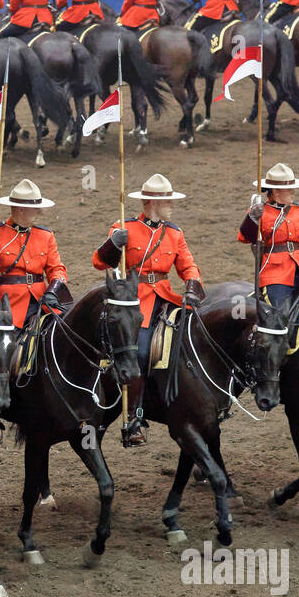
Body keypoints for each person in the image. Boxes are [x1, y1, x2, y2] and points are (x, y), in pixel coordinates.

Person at [90, 174, 204, 447]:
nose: (172, 207)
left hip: (165, 297)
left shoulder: (174, 232)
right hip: (134, 300)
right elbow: (99, 262)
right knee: (140, 352)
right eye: (168, 202)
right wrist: (113, 244)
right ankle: (133, 420)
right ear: (152, 202)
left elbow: (188, 265)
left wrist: (192, 286)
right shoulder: (124, 227)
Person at [0, 179, 67, 331]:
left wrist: (53, 290)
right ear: (21, 209)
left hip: (43, 301)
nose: (40, 212)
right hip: (8, 306)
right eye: (36, 208)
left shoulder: (45, 235)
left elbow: (57, 269)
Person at [237, 163, 299, 310]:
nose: (294, 192)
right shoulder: (260, 211)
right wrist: (252, 218)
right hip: (275, 274)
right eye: (289, 189)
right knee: (281, 315)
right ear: (276, 192)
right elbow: (244, 238)